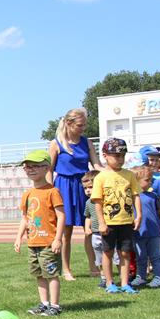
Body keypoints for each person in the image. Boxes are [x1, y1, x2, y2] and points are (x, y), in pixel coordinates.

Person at [48, 108, 103, 281]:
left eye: (84, 124)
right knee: (66, 231)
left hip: (85, 186)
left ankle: (93, 266)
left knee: (90, 229)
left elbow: (97, 165)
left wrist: (113, 173)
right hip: (64, 187)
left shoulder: (87, 142)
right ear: (69, 123)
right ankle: (66, 269)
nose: (83, 128)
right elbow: (49, 170)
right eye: (80, 125)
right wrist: (49, 191)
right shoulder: (56, 143)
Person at [13, 150, 65, 316]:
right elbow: (25, 218)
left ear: (46, 168)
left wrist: (58, 239)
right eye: (27, 167)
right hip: (33, 243)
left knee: (51, 274)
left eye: (35, 166)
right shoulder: (27, 194)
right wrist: (19, 237)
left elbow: (61, 216)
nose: (30, 170)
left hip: (48, 242)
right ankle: (44, 303)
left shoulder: (52, 192)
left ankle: (55, 305)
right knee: (39, 274)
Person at [91, 138, 142, 294]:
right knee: (108, 252)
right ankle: (110, 283)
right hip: (109, 222)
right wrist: (101, 223)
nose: (120, 159)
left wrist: (139, 215)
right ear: (105, 155)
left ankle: (125, 283)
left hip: (126, 221)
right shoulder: (100, 177)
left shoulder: (130, 175)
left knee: (125, 252)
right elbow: (98, 202)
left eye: (123, 156)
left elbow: (136, 196)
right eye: (116, 156)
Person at [130, 165, 160, 288]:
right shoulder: (130, 197)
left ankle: (158, 277)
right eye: (147, 180)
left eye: (151, 179)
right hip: (138, 232)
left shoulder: (154, 196)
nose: (151, 182)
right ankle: (141, 277)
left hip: (154, 232)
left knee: (156, 256)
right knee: (140, 256)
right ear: (136, 181)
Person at [83, 170, 121, 288]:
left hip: (109, 232)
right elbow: (88, 216)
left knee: (116, 255)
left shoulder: (106, 200)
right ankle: (104, 278)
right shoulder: (88, 202)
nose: (88, 190)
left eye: (90, 187)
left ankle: (123, 277)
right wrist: (87, 228)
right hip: (95, 234)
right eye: (85, 188)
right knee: (99, 257)